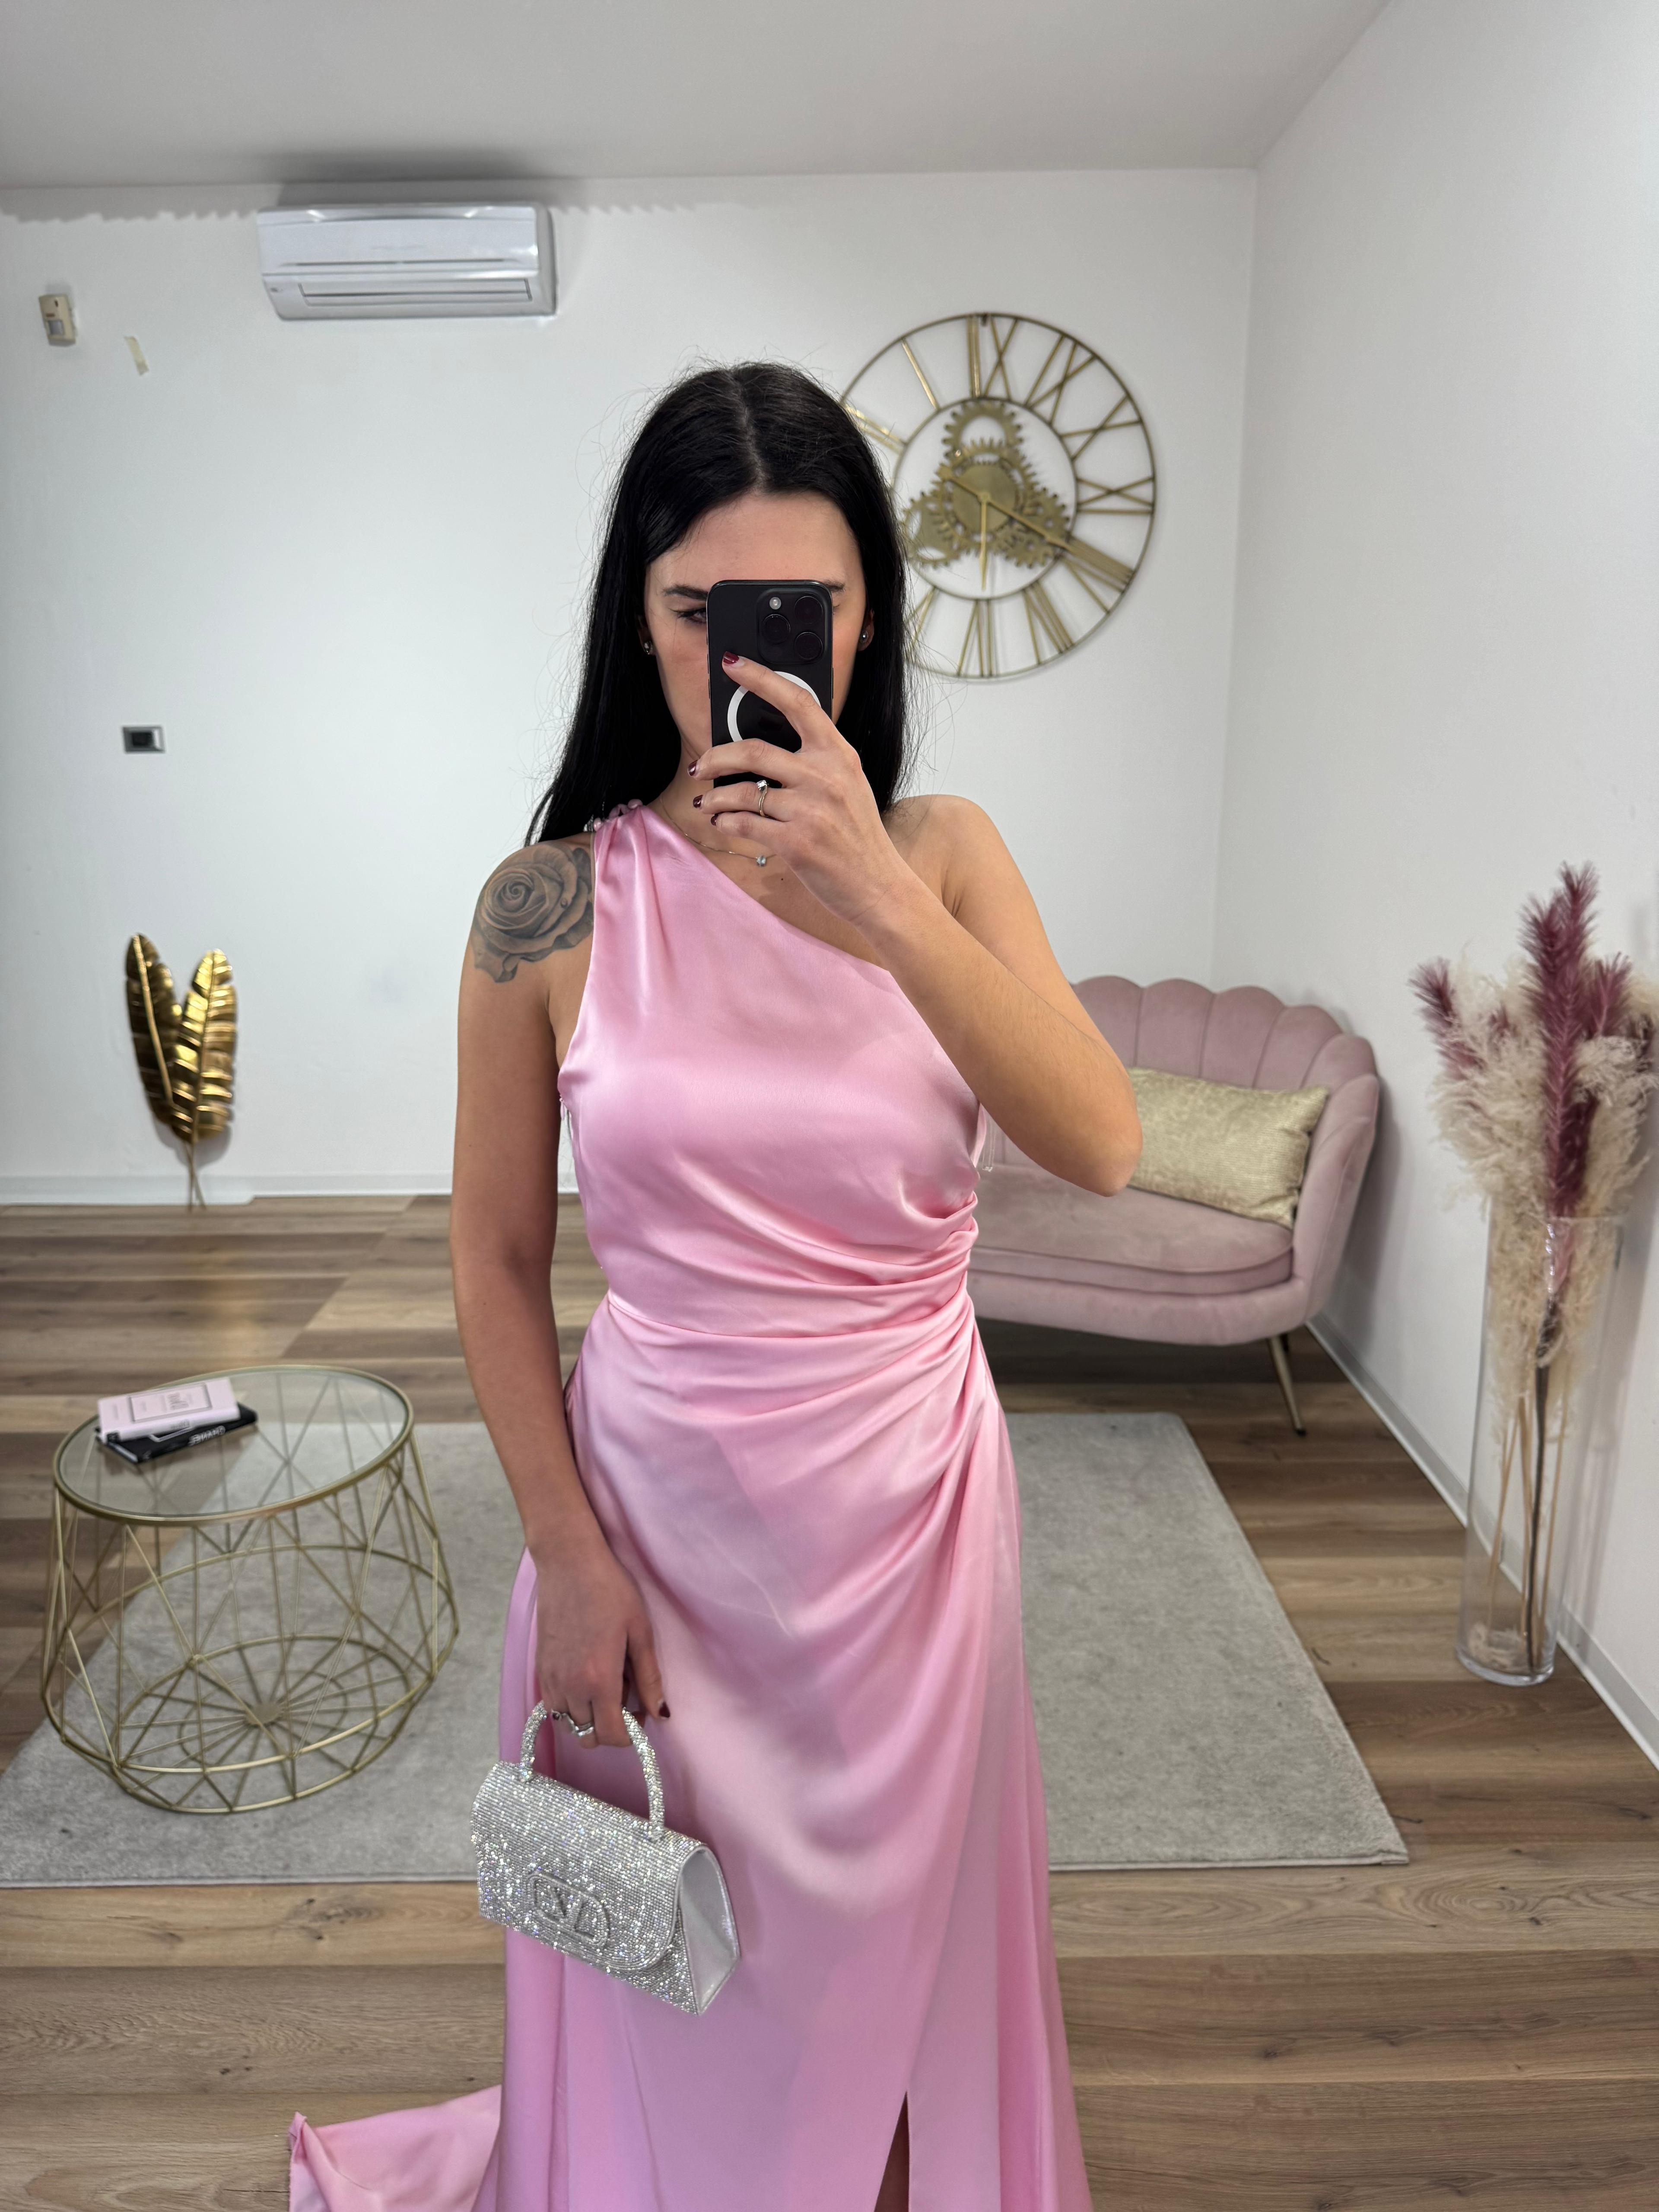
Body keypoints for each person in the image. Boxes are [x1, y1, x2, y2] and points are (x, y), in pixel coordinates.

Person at [289, 361, 1140, 2212]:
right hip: (656, 1535)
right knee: (671, 1975)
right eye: (700, 609)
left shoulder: (947, 856)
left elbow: (1100, 1137)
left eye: (798, 608)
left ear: (867, 620)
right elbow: (494, 1253)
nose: (746, 654)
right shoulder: (545, 905)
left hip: (912, 1530)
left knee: (901, 1990)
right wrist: (567, 1553)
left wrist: (877, 893)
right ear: (641, 617)